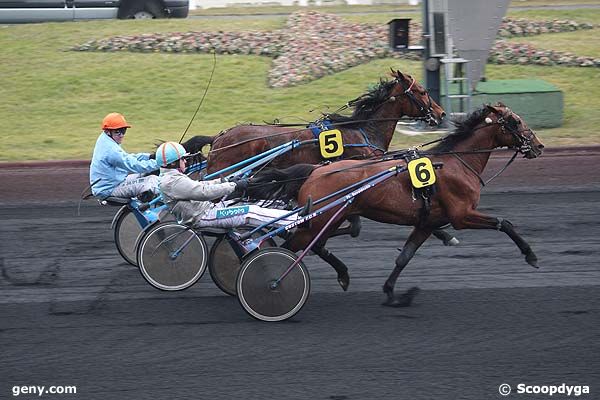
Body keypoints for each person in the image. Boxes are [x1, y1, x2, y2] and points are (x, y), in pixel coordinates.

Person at [156, 141, 311, 229]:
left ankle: (284, 213)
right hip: (202, 217)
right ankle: (296, 219)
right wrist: (234, 186)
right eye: (183, 159)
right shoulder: (173, 182)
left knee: (247, 202)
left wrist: (226, 181)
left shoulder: (172, 178)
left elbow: (200, 185)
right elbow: (203, 192)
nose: (185, 161)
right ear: (174, 163)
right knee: (248, 211)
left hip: (206, 210)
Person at [90, 112, 159, 199]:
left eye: (123, 131)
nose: (121, 135)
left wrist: (149, 157)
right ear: (108, 132)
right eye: (118, 132)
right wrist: (159, 163)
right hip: (109, 189)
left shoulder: (105, 139)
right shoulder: (110, 150)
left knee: (147, 174)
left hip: (113, 183)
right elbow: (134, 165)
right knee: (153, 180)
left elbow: (127, 158)